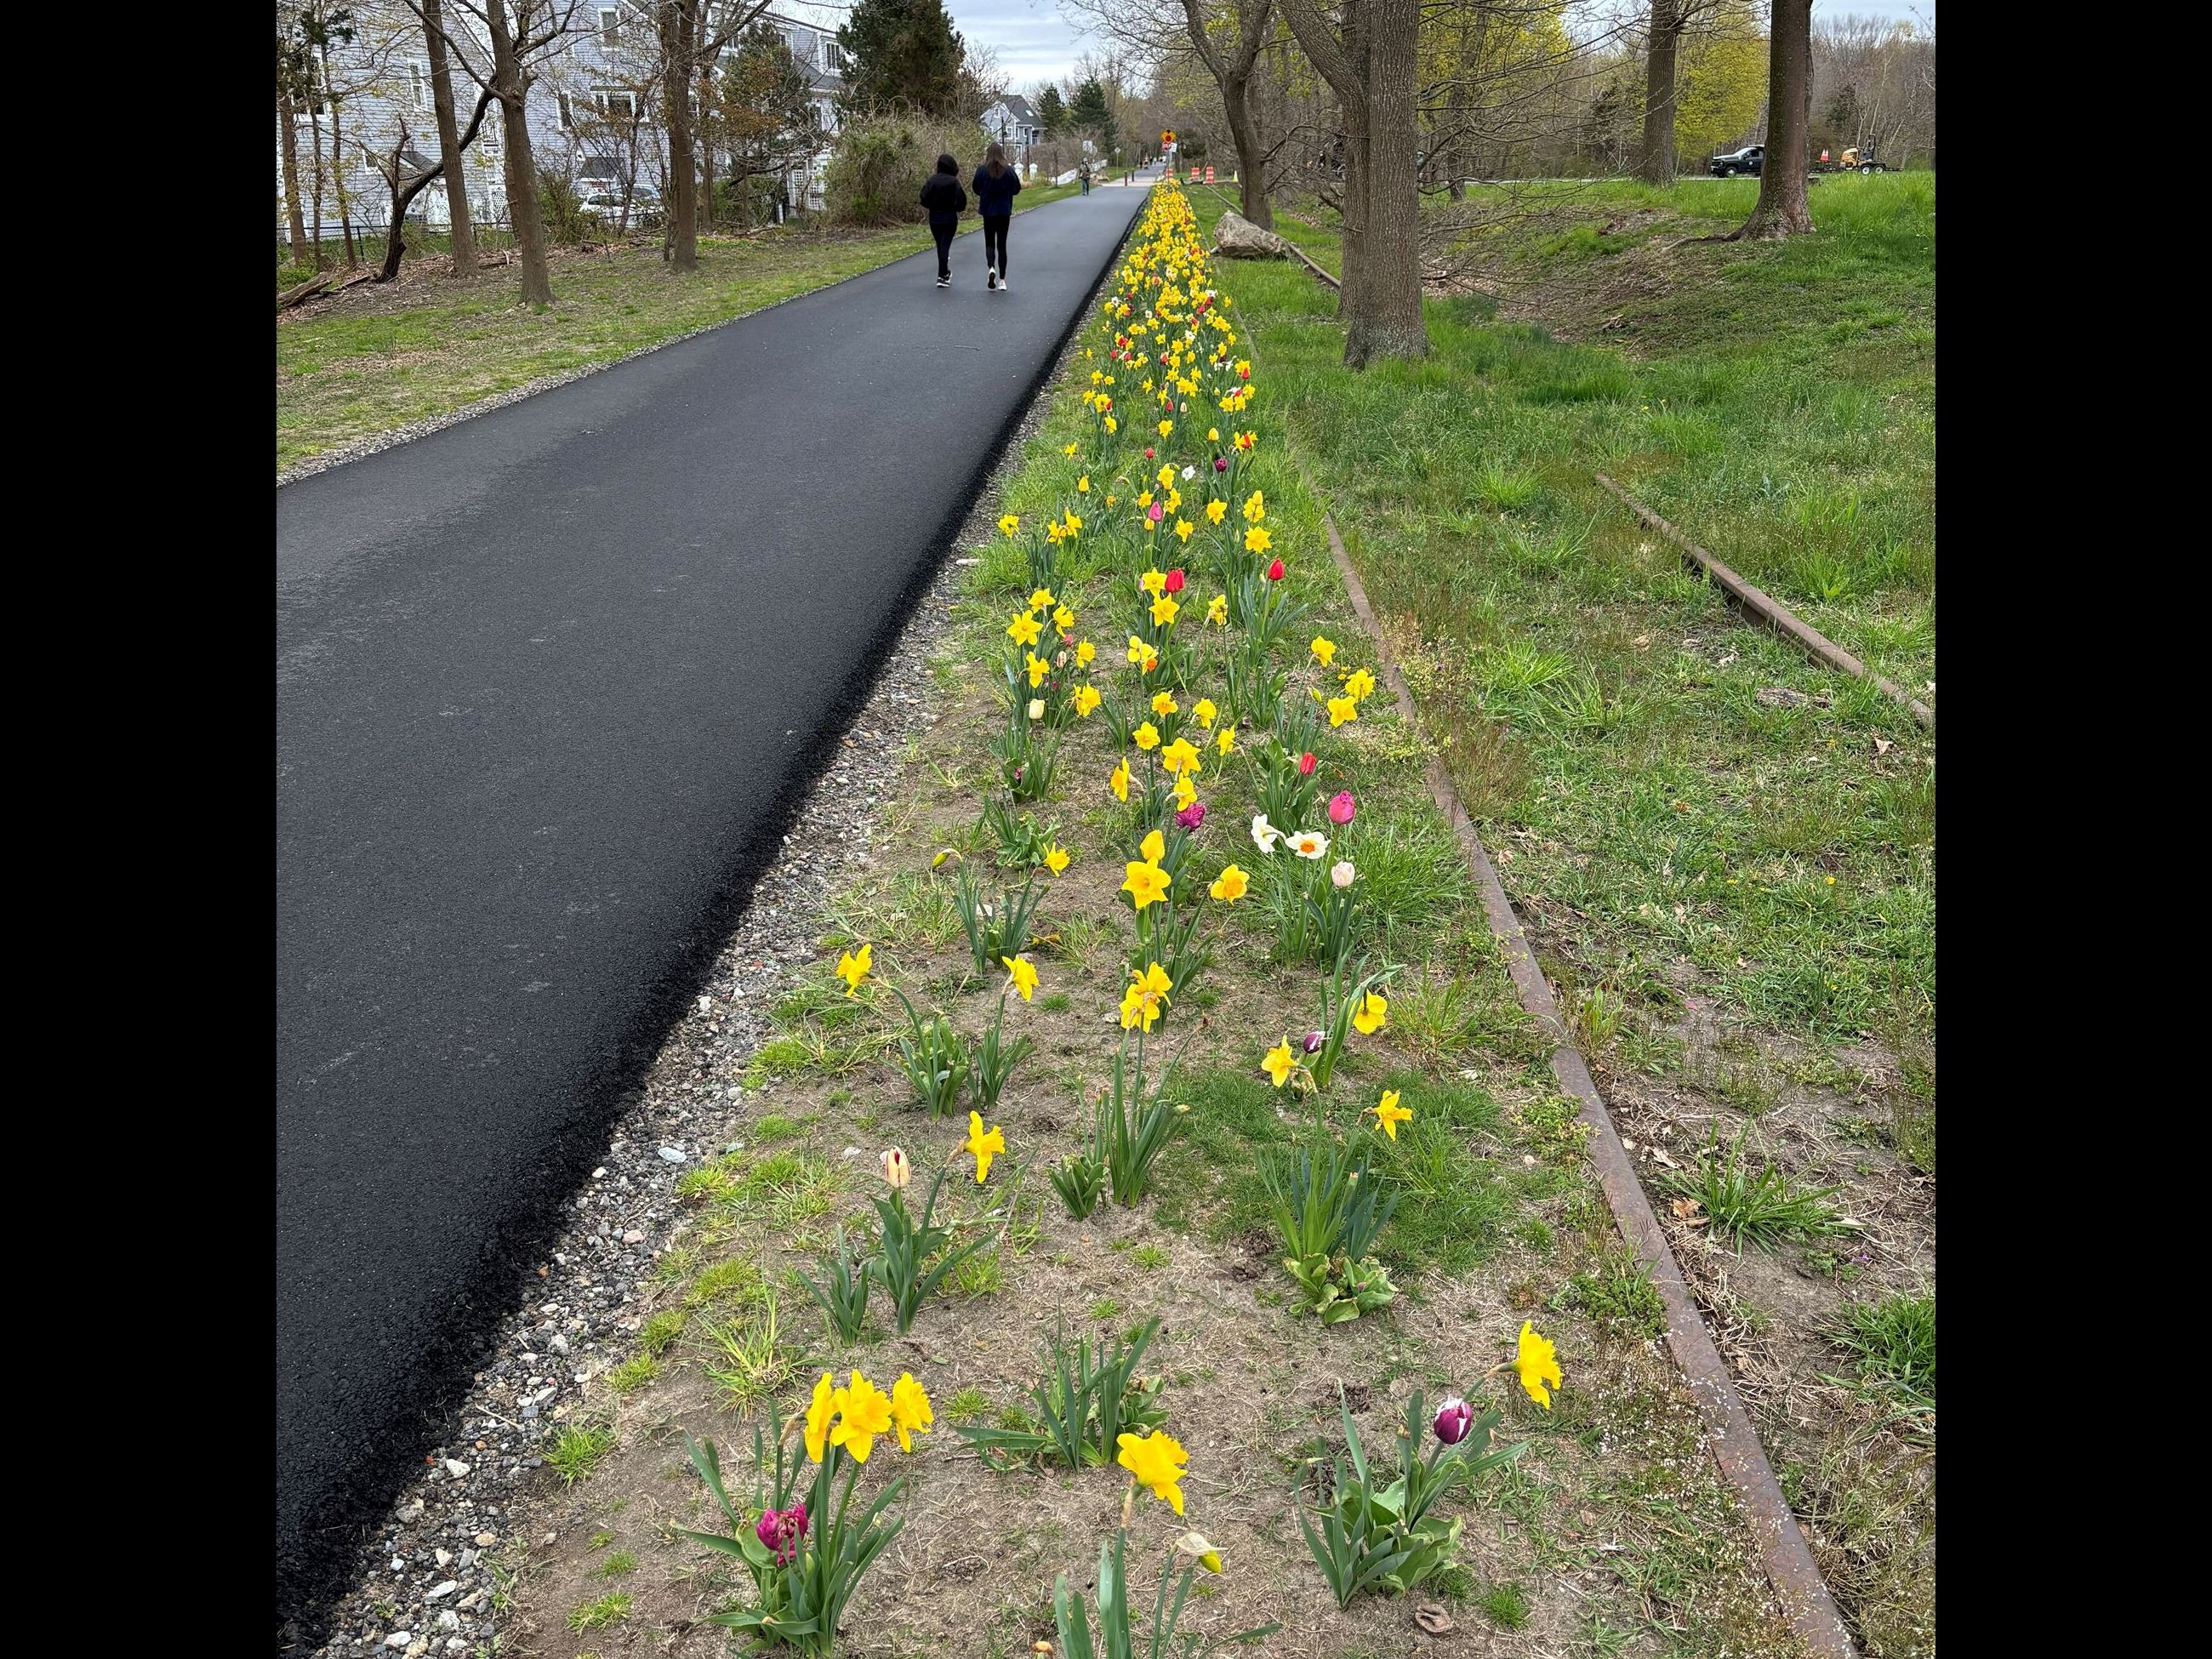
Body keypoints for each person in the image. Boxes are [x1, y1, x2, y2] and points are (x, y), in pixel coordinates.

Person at [972, 142, 1022, 293]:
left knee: (989, 243)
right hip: (1004, 211)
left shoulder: (982, 170)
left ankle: (991, 268)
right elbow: (1016, 189)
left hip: (988, 211)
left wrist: (984, 193)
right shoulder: (1008, 171)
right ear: (1002, 153)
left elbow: (975, 187)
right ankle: (1002, 280)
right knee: (1002, 245)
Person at [918, 153, 966, 290]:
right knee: (945, 245)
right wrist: (955, 208)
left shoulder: (932, 181)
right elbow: (962, 201)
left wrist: (932, 206)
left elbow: (923, 197)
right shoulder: (953, 182)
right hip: (949, 217)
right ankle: (943, 274)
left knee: (940, 245)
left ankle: (943, 274)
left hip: (935, 217)